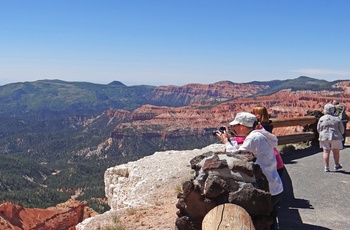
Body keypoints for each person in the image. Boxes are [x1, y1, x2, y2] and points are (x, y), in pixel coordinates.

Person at [216, 112, 283, 229]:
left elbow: (238, 157)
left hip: (267, 189)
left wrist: (226, 142)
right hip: (275, 186)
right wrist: (232, 140)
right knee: (271, 222)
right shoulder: (260, 135)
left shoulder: (254, 138)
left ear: (241, 126)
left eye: (235, 125)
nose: (233, 128)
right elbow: (244, 150)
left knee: (263, 224)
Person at [252, 105, 285, 177]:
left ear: (259, 115)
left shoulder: (262, 127)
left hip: (272, 160)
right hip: (274, 158)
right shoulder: (266, 124)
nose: (252, 115)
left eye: (254, 113)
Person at [317, 103, 344, 172]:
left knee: (326, 152)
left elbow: (318, 128)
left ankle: (326, 167)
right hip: (335, 137)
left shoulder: (322, 118)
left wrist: (322, 133)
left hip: (324, 137)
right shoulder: (337, 118)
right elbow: (342, 130)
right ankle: (337, 165)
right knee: (336, 151)